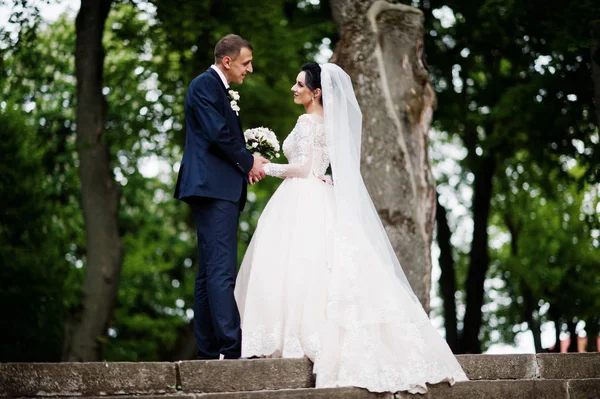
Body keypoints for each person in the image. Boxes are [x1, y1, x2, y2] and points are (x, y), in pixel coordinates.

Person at [234, 62, 468, 393]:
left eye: (299, 84)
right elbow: (317, 166)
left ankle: (294, 339)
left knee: (296, 264)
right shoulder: (332, 125)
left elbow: (302, 169)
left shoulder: (306, 122)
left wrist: (266, 166)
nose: (293, 88)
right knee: (319, 265)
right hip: (321, 191)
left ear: (316, 93)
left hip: (302, 194)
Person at [174, 34, 269, 360]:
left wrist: (244, 165)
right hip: (213, 188)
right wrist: (248, 161)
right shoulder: (204, 85)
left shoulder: (219, 89)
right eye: (246, 63)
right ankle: (230, 346)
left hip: (214, 185)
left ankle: (209, 349)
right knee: (221, 271)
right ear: (226, 61)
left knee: (208, 272)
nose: (250, 69)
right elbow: (218, 132)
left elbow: (220, 134)